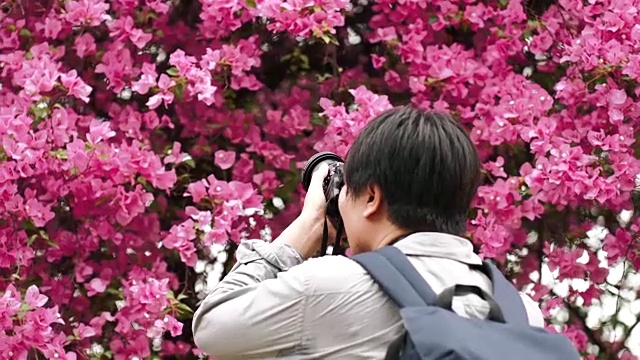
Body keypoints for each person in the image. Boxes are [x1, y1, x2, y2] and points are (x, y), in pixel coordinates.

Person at [192, 106, 545, 359]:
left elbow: (212, 328)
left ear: (372, 197)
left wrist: (310, 223)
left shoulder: (330, 284)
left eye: (347, 190)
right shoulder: (521, 312)